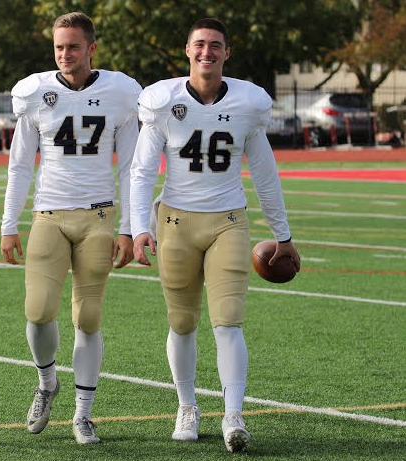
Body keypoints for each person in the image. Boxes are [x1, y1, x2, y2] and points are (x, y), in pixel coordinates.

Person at [130, 18, 301, 453]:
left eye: (216, 46)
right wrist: (137, 228)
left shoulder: (248, 102)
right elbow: (142, 169)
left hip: (228, 220)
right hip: (175, 223)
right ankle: (187, 406)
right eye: (200, 45)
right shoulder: (162, 101)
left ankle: (233, 414)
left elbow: (265, 174)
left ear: (227, 52)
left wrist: (283, 234)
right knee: (182, 322)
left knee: (228, 321)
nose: (207, 52)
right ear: (187, 50)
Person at [0, 11, 141, 444]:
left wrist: (131, 227)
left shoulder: (120, 92)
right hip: (49, 215)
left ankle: (83, 413)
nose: (65, 55)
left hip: (99, 216)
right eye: (59, 47)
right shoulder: (35, 92)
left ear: (92, 47)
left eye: (74, 46)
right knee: (39, 311)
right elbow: (20, 164)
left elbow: (131, 168)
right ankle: (46, 382)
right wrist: (9, 223)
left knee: (89, 316)